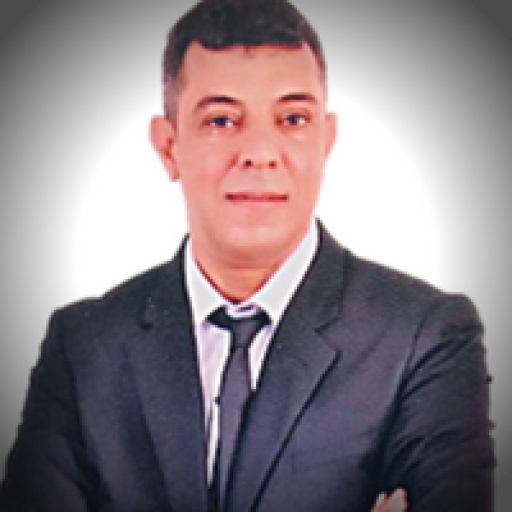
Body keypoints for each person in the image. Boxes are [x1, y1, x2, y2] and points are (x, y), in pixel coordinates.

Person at [0, 0, 494, 511]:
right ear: (168, 147)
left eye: (293, 118)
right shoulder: (85, 347)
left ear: (325, 140)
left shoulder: (423, 338)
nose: (260, 152)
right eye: (221, 120)